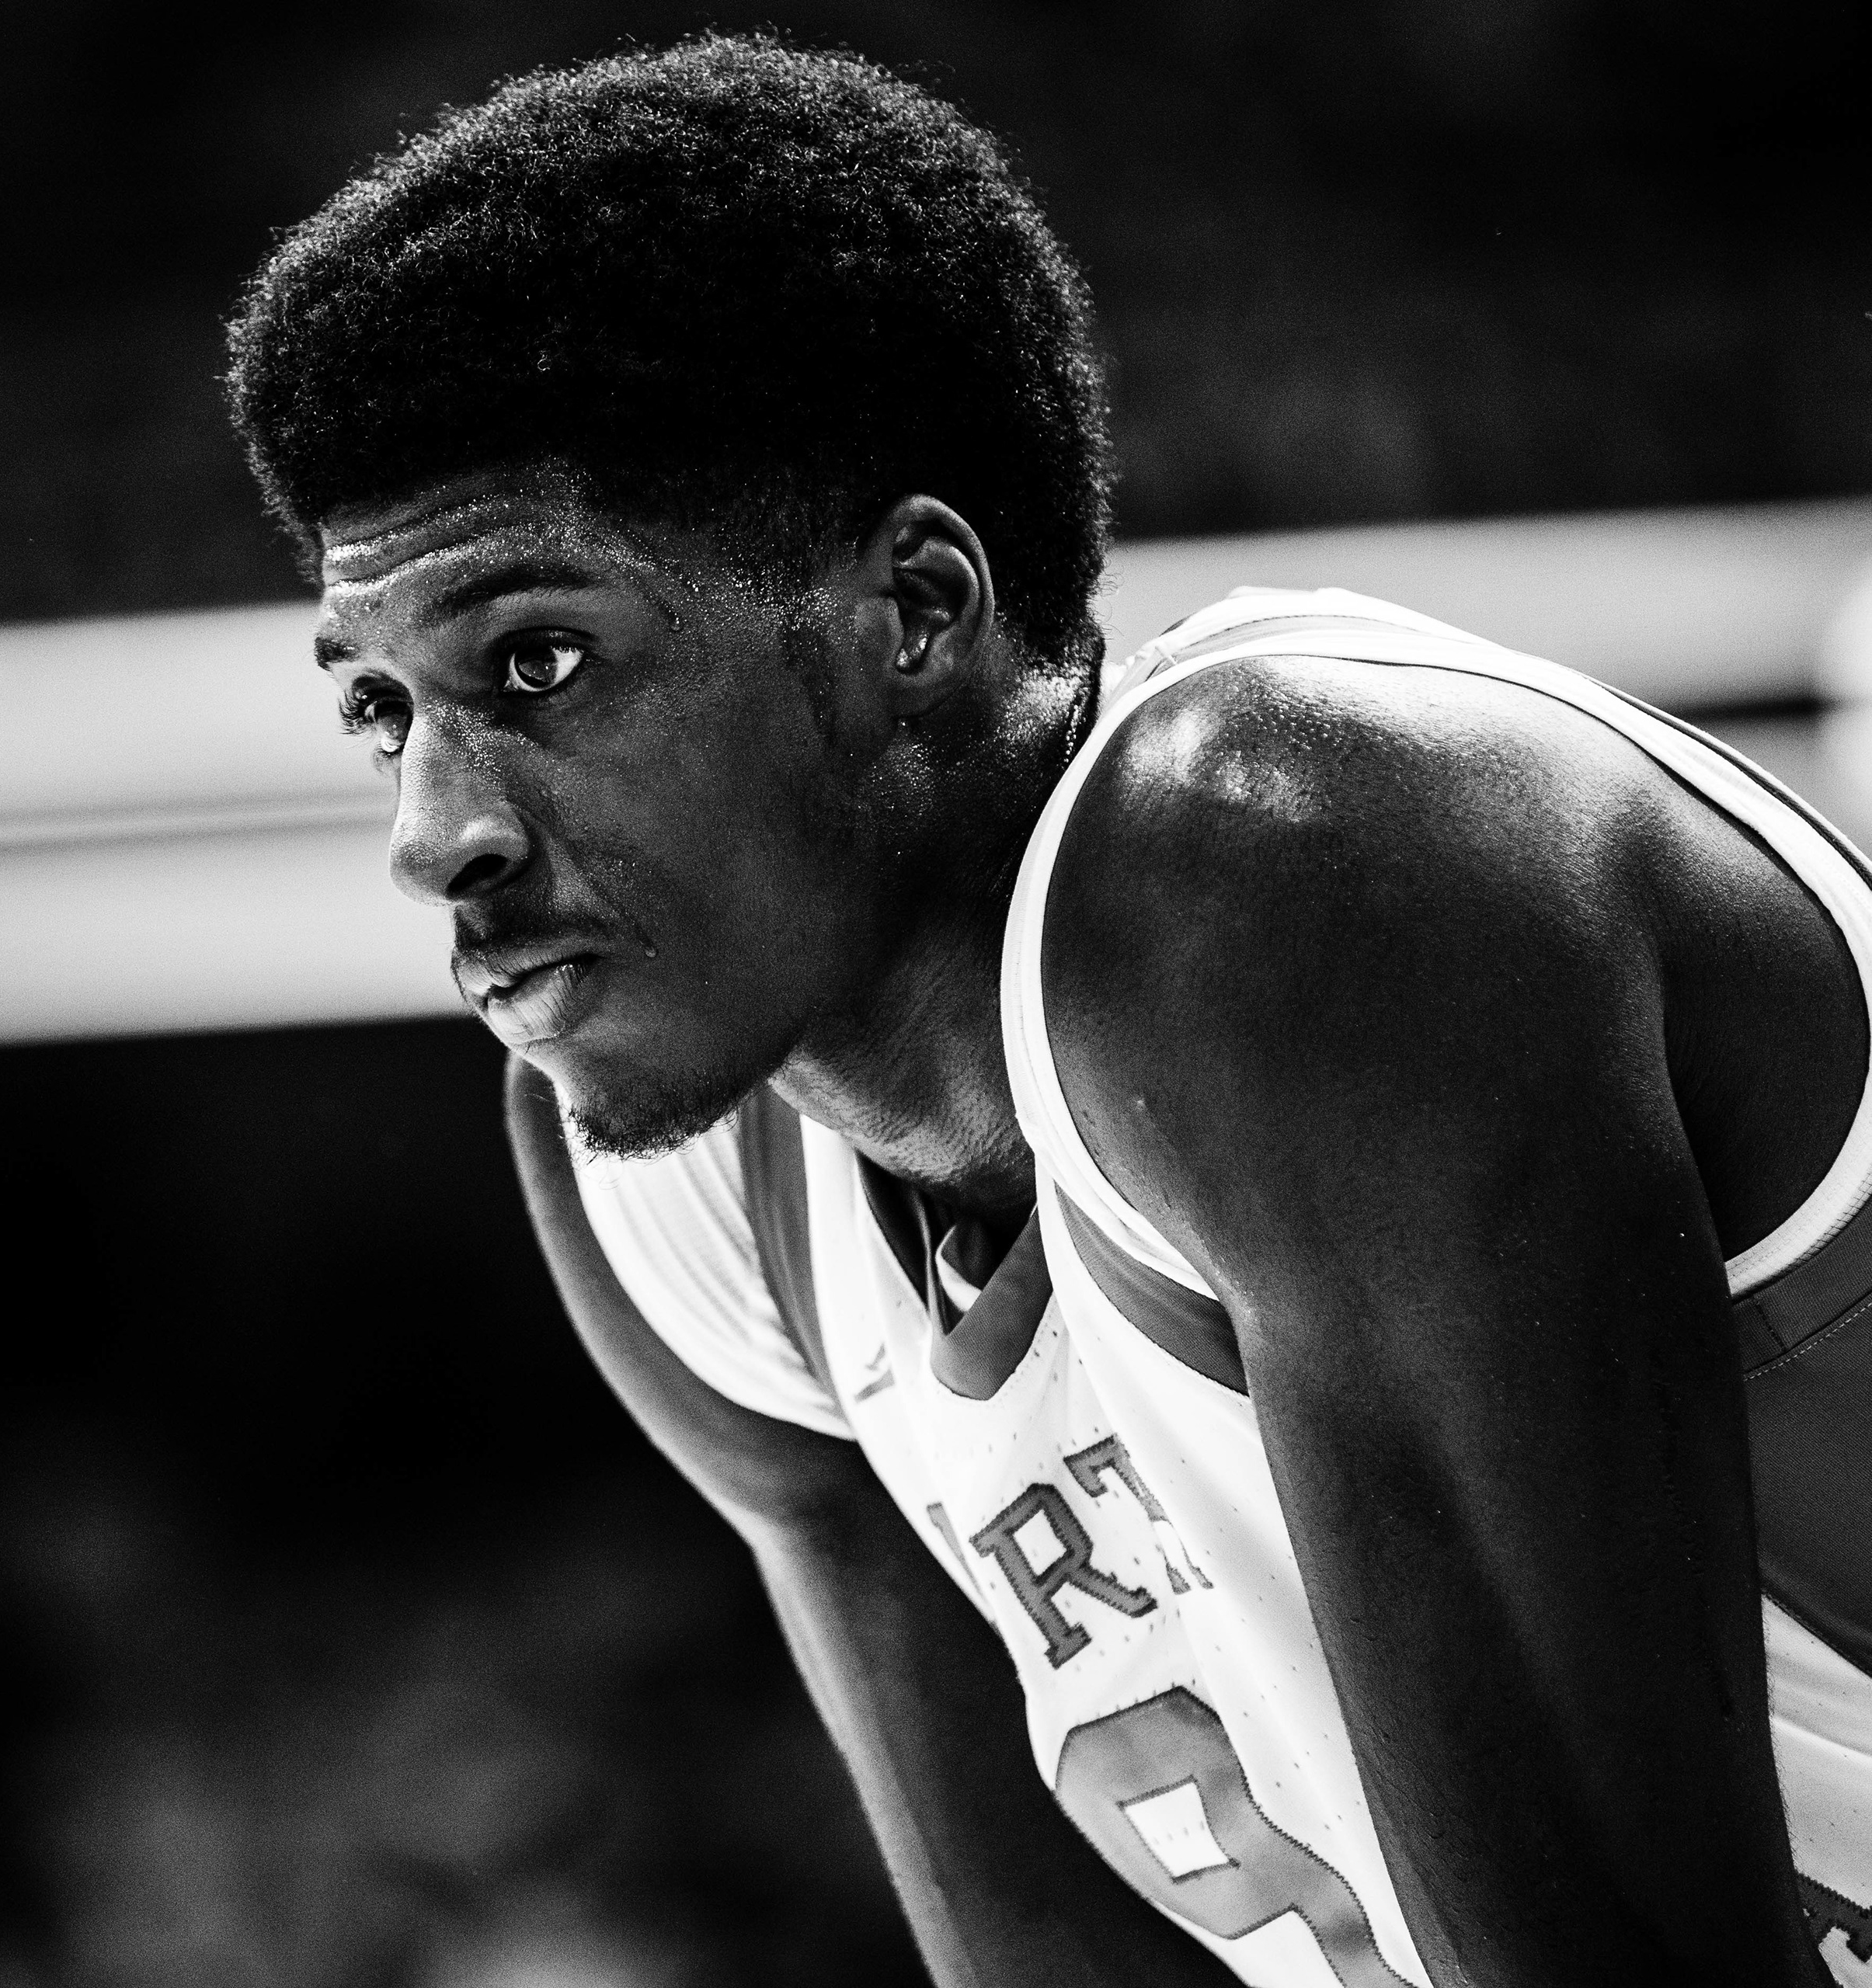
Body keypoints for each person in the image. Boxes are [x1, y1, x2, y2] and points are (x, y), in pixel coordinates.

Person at [223, 33, 1872, 1988]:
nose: (433, 834)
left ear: (916, 610)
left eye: (543, 658)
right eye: (378, 707)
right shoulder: (682, 1187)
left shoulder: (1296, 864)